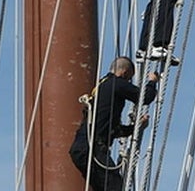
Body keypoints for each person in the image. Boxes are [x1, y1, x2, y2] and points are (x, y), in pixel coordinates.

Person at [68, 56, 160, 191]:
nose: (128, 82)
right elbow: (144, 98)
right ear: (124, 73)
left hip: (81, 149)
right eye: (129, 79)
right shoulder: (117, 83)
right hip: (92, 148)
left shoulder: (101, 86)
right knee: (115, 187)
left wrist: (136, 127)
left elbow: (114, 130)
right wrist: (152, 82)